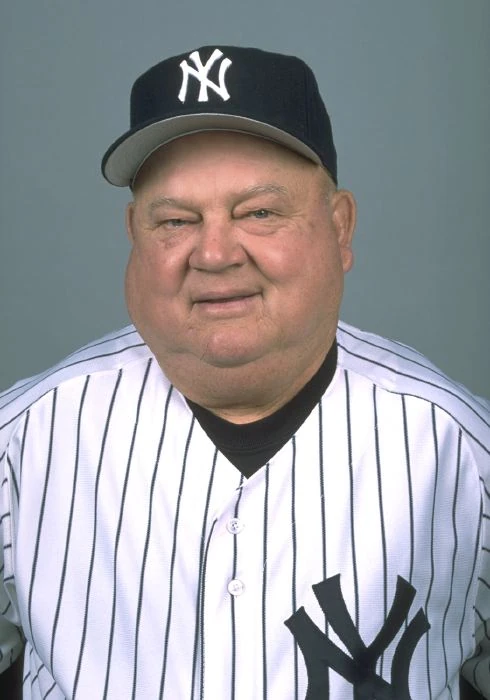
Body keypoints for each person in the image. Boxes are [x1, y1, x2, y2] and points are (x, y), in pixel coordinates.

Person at [0, 45, 489, 700]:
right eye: (176, 220)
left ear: (340, 227)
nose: (213, 252)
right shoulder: (22, 439)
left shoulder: (461, 447)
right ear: (134, 234)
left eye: (259, 212)